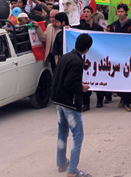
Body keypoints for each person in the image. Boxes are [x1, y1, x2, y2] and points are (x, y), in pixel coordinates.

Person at [51, 32, 93, 177]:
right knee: (78, 136)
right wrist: (82, 88)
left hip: (59, 100)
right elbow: (69, 83)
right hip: (69, 102)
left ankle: (61, 163)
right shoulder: (76, 61)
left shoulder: (66, 56)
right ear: (87, 49)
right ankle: (73, 170)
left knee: (62, 133)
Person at [107, 4, 131, 111]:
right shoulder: (113, 26)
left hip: (128, 55)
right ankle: (122, 98)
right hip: (117, 56)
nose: (120, 13)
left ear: (126, 12)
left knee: (128, 77)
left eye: (122, 12)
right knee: (118, 77)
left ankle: (128, 101)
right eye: (118, 11)